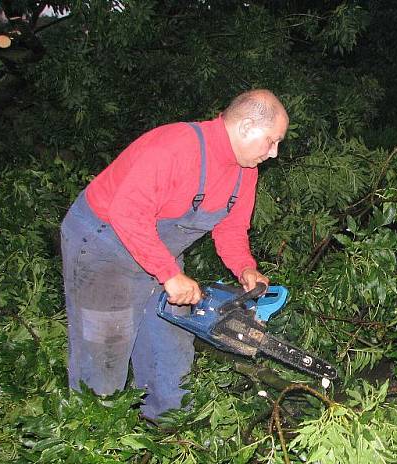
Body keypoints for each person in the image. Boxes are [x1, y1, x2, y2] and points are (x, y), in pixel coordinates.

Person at [60, 89, 288, 419]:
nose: (275, 153)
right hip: (103, 247)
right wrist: (169, 273)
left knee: (170, 350)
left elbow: (231, 228)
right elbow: (128, 213)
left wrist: (244, 268)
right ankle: (91, 438)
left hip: (158, 253)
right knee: (104, 356)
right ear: (246, 126)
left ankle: (172, 431)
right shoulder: (175, 147)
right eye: (271, 141)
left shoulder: (245, 171)